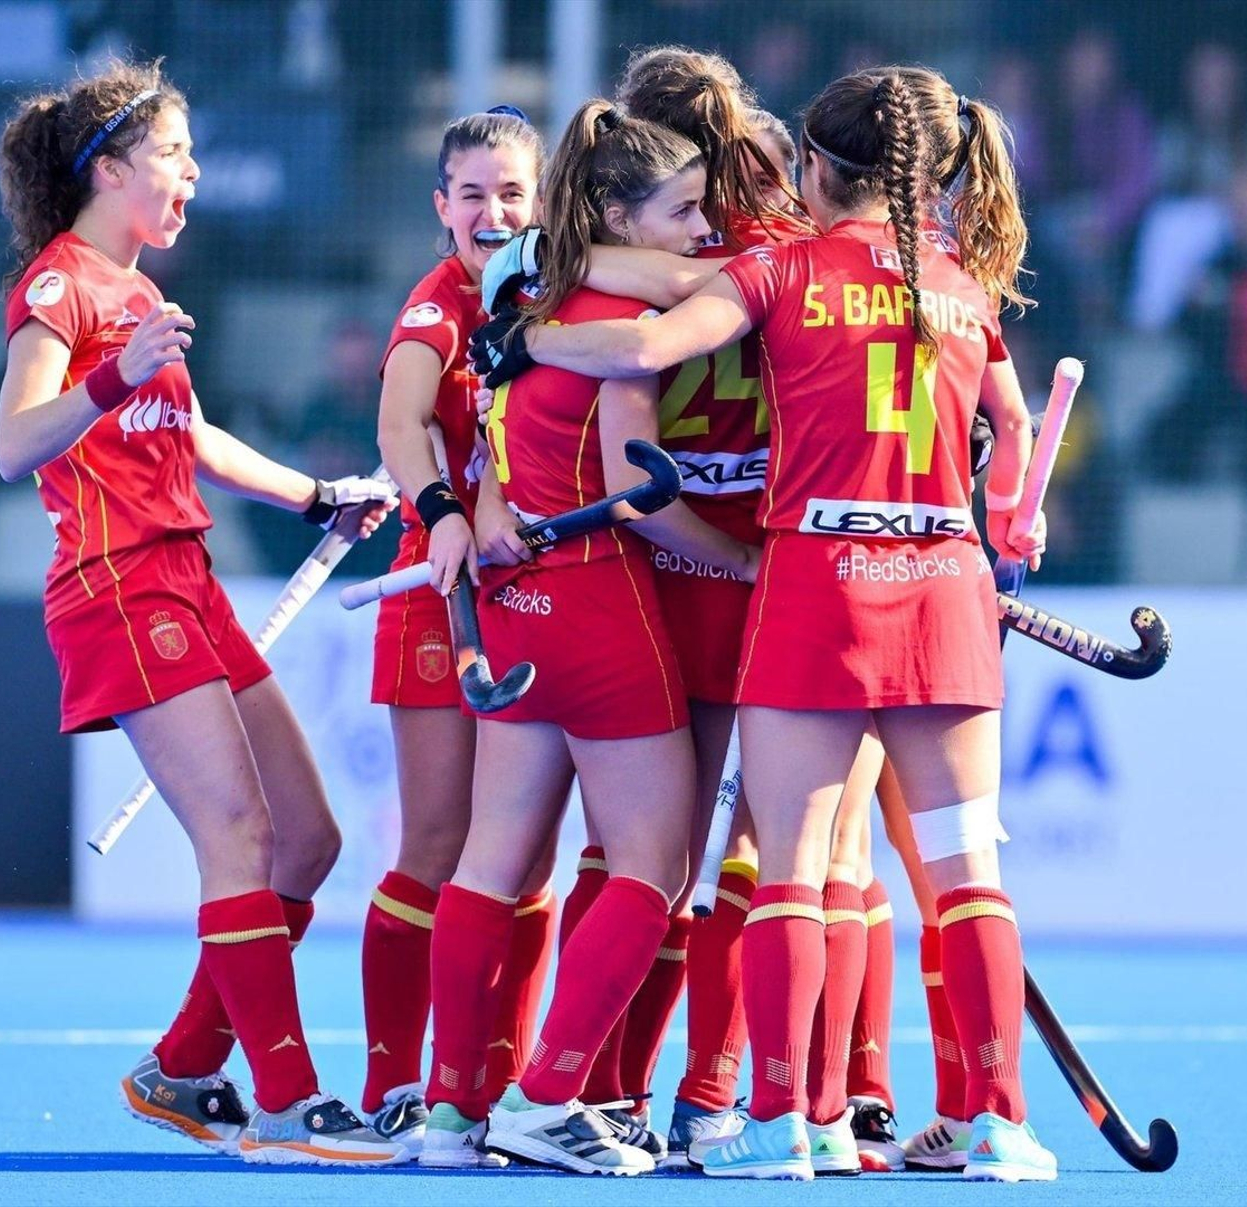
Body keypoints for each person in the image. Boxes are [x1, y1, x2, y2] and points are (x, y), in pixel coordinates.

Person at [471, 65, 1054, 1182]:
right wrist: (1009, 526)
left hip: (819, 579)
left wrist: (527, 340)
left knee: (787, 867)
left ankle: (784, 1119)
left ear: (817, 168)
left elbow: (642, 348)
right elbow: (1015, 429)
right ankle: (997, 1121)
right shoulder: (963, 285)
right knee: (965, 870)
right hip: (945, 577)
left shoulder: (783, 269)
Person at [0, 60, 403, 1165]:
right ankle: (288, 1100)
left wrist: (317, 494)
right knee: (240, 836)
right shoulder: (60, 287)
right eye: (175, 155)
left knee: (307, 840)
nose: (193, 176)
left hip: (188, 580)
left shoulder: (140, 297)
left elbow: (194, 439)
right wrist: (111, 378)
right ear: (111, 169)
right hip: (117, 586)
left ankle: (180, 1066)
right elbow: (14, 444)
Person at [426, 98, 759, 1177]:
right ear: (619, 216)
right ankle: (548, 1097)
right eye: (683, 211)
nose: (703, 229)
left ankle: (449, 1111)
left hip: (515, 600)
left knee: (490, 861)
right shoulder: (616, 317)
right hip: (596, 604)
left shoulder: (528, 287)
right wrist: (748, 560)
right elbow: (637, 495)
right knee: (655, 869)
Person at [361, 105, 557, 1161]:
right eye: (473, 193)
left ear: (542, 201)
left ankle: (497, 1083)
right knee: (437, 844)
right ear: (442, 204)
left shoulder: (559, 297)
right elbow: (400, 425)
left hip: (541, 595)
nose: (494, 212)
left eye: (512, 192)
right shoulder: (437, 305)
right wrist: (441, 511)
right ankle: (394, 1082)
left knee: (527, 856)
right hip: (443, 594)